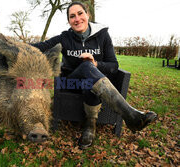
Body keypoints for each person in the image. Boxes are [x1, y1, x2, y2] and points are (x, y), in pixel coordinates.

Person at [32, 1, 157, 149]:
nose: (77, 19)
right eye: (72, 16)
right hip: (72, 83)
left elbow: (114, 66)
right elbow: (40, 48)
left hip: (94, 84)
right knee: (85, 67)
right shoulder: (65, 38)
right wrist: (12, 45)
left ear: (88, 15)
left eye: (80, 14)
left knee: (90, 78)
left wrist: (96, 63)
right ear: (69, 21)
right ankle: (130, 115)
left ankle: (90, 126)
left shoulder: (102, 35)